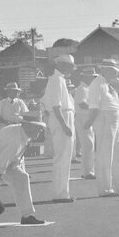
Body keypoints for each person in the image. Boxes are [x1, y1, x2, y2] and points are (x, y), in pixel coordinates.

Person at [84, 59, 119, 198]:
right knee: (105, 154)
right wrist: (89, 121)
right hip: (104, 120)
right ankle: (105, 189)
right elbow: (94, 106)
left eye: (115, 71)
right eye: (111, 70)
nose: (114, 73)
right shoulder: (97, 84)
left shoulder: (108, 85)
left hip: (115, 121)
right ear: (104, 70)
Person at [41, 54, 76, 203]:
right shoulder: (55, 80)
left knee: (65, 158)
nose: (70, 69)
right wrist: (64, 125)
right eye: (68, 66)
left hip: (66, 116)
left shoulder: (60, 80)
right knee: (61, 158)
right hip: (61, 118)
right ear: (60, 65)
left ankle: (63, 192)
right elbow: (56, 106)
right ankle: (59, 193)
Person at [73, 69, 97, 180]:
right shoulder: (81, 89)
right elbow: (82, 104)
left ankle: (88, 171)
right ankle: (87, 172)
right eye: (92, 77)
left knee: (90, 145)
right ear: (86, 77)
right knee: (88, 145)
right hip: (83, 117)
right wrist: (95, 109)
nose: (93, 79)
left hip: (87, 117)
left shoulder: (87, 89)